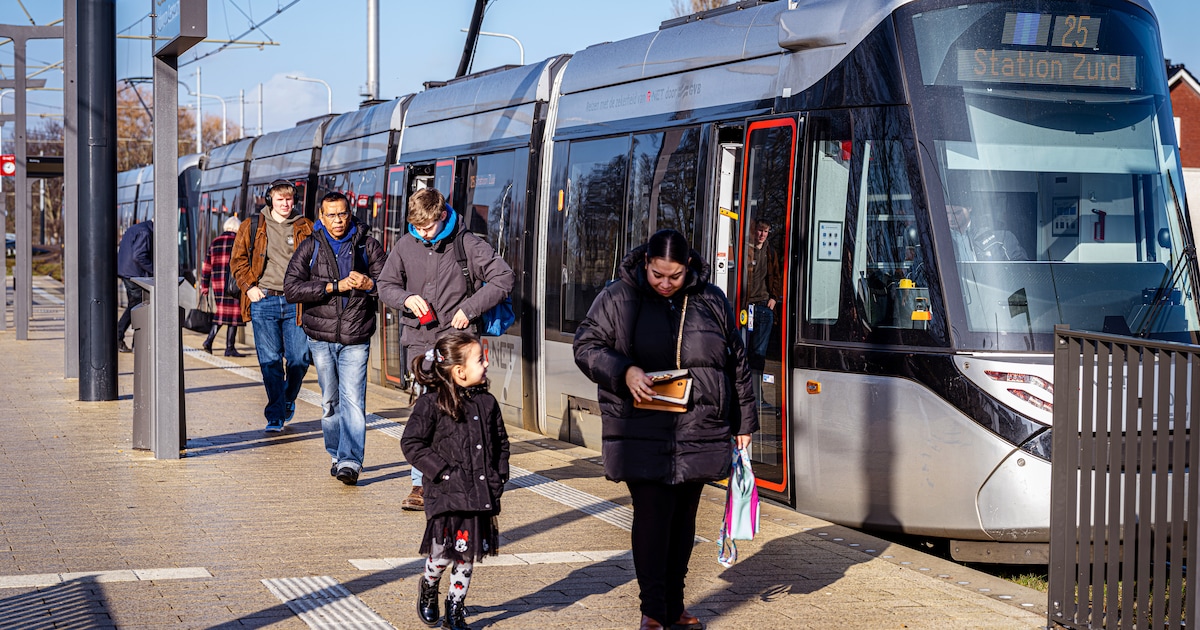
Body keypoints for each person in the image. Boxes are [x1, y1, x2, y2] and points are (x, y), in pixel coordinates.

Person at [572, 229, 758, 630]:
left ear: (687, 267)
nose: (665, 284)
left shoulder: (711, 300)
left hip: (698, 426)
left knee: (683, 521)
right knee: (654, 516)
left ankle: (675, 605)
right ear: (646, 263)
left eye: (674, 276)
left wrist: (744, 423)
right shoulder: (618, 297)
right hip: (641, 426)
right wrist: (624, 370)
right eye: (658, 275)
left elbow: (737, 364)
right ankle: (653, 610)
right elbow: (586, 346)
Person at [377, 188, 514, 511]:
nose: (421, 234)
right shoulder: (406, 245)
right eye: (415, 228)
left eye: (426, 228)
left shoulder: (467, 244)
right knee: (426, 410)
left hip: (457, 344)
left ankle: (457, 476)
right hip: (420, 341)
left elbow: (503, 278)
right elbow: (385, 285)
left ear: (441, 217)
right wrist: (405, 299)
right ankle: (420, 483)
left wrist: (470, 308)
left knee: (456, 411)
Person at [401, 331, 509, 630]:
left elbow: (501, 442)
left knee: (466, 556)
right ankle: (429, 584)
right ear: (459, 371)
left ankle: (455, 608)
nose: (486, 364)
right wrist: (442, 472)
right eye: (480, 359)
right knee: (440, 555)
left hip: (477, 495)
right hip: (446, 494)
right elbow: (412, 443)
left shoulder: (487, 403)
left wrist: (499, 477)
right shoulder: (431, 403)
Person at [284, 192, 386, 486]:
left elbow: (389, 283)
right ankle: (335, 453)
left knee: (353, 400)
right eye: (331, 215)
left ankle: (350, 461)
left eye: (342, 214)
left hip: (356, 334)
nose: (338, 221)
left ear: (349, 213)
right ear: (321, 216)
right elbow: (291, 288)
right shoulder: (311, 246)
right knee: (330, 401)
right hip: (320, 337)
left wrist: (370, 284)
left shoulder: (367, 244)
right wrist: (332, 286)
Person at [230, 179, 314, 433]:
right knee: (270, 361)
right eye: (280, 199)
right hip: (263, 299)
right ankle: (275, 414)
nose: (285, 204)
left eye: (289, 199)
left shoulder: (305, 227)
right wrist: (249, 287)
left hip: (295, 302)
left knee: (299, 359)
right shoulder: (252, 226)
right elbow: (238, 261)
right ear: (270, 200)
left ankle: (287, 398)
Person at [198, 216, 246, 357]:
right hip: (234, 283)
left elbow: (206, 266)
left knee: (223, 312)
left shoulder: (215, 242)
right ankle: (224, 346)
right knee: (234, 314)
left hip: (218, 284)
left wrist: (204, 285)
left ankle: (219, 344)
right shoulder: (239, 242)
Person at [744, 219, 780, 380]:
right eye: (760, 230)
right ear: (754, 231)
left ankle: (757, 391)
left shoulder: (770, 252)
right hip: (746, 308)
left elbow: (777, 277)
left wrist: (773, 298)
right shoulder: (746, 251)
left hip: (764, 307)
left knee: (759, 354)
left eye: (766, 231)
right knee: (744, 350)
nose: (762, 234)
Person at [116, 219, 153, 354]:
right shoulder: (145, 232)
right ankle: (121, 336)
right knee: (137, 306)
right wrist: (155, 270)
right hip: (134, 274)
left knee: (136, 305)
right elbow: (139, 256)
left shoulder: (138, 228)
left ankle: (134, 342)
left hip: (127, 272)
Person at [946, 203, 1028, 262]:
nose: (950, 218)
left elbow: (1022, 273)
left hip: (993, 285)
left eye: (956, 213)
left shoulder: (1000, 236)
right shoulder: (938, 240)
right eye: (946, 213)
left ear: (969, 208)